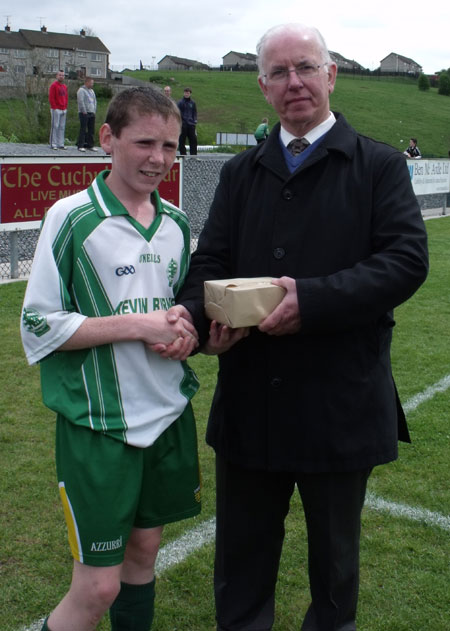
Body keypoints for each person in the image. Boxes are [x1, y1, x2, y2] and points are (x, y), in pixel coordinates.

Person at [155, 22, 429, 631]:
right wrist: (200, 318)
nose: (294, 83)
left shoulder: (378, 165)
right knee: (241, 571)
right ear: (262, 87)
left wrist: (313, 301)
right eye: (278, 73)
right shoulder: (241, 172)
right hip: (253, 402)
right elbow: (209, 264)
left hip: (340, 404)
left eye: (305, 67)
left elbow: (406, 261)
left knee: (334, 581)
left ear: (331, 75)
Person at [21, 87, 201, 631]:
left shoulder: (176, 224)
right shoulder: (72, 217)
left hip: (167, 416)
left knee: (143, 556)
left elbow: (171, 311)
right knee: (98, 586)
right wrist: (137, 325)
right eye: (144, 142)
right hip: (100, 425)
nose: (159, 158)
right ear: (108, 138)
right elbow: (38, 326)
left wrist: (182, 334)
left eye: (169, 145)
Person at [77, 76, 98, 152]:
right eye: (91, 83)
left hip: (91, 112)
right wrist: (84, 111)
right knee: (83, 129)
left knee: (91, 130)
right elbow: (81, 101)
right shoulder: (81, 90)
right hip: (84, 113)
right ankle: (80, 145)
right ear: (87, 82)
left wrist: (94, 110)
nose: (92, 84)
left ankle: (90, 145)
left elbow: (94, 101)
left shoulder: (92, 91)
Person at [48, 70, 68, 150]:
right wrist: (54, 107)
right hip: (56, 109)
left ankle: (61, 143)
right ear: (57, 76)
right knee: (55, 126)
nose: (61, 77)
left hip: (63, 108)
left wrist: (65, 107)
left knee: (62, 127)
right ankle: (53, 143)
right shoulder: (53, 86)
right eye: (60, 75)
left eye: (63, 75)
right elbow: (51, 97)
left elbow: (66, 97)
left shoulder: (64, 86)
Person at [177, 87, 198, 155]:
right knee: (182, 140)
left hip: (191, 125)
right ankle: (183, 155)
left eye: (188, 93)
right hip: (183, 125)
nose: (186, 94)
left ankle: (193, 155)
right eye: (185, 93)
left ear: (190, 94)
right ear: (184, 93)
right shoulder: (180, 102)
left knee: (193, 140)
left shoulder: (193, 103)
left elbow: (194, 112)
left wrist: (194, 120)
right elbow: (178, 113)